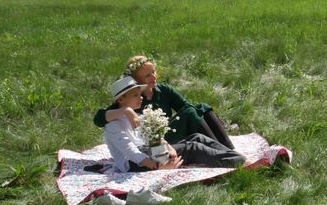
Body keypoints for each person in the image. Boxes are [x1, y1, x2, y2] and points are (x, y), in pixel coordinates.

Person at [104, 75, 246, 173]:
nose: (140, 98)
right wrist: (159, 166)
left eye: (139, 94)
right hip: (135, 164)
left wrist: (169, 147)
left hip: (148, 151)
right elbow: (132, 153)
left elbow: (154, 137)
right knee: (192, 148)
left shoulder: (138, 116)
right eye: (135, 95)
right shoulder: (113, 126)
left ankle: (235, 156)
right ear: (121, 100)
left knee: (197, 137)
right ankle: (242, 163)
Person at [94, 55, 234, 148]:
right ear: (136, 80)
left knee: (201, 108)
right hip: (155, 142)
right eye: (147, 75)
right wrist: (126, 111)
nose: (153, 77)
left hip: (170, 132)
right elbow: (99, 119)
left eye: (154, 72)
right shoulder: (130, 98)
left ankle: (228, 147)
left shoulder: (163, 90)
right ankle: (221, 151)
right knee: (192, 112)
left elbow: (185, 106)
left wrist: (200, 116)